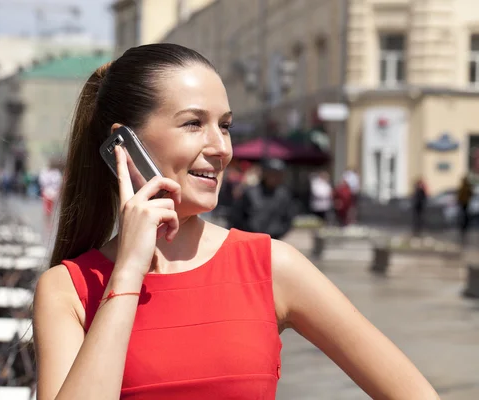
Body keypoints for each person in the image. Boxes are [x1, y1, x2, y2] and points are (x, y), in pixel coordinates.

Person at [33, 44, 439, 400]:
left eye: (224, 125)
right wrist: (127, 274)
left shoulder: (272, 267)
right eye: (194, 123)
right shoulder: (68, 289)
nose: (222, 148)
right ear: (123, 144)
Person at [229, 158, 294, 239]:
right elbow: (236, 216)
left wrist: (278, 233)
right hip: (250, 239)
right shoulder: (250, 192)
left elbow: (288, 219)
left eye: (279, 174)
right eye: (273, 174)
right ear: (265, 174)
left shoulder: (284, 195)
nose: (275, 177)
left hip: (274, 240)